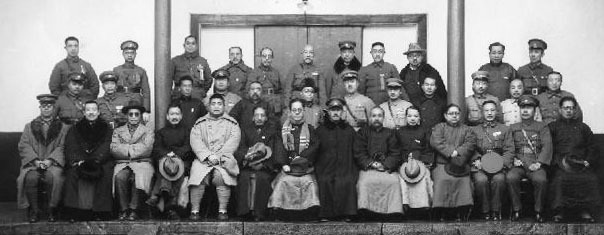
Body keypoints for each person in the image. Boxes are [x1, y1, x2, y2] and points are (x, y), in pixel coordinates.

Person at [17, 94, 69, 223]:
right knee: (30, 178)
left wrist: (50, 160)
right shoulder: (29, 126)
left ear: (53, 108)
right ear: (40, 108)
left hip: (53, 163)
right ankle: (34, 211)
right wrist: (35, 161)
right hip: (34, 162)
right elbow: (24, 145)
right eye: (44, 106)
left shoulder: (63, 127)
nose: (46, 108)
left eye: (49, 106)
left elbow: (63, 147)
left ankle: (52, 209)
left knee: (54, 178)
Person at [189, 94, 241, 221]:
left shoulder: (232, 123)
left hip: (224, 158)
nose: (216, 106)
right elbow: (195, 141)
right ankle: (194, 210)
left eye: (219, 104)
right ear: (209, 107)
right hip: (204, 159)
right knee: (198, 176)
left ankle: (222, 210)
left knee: (221, 176)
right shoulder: (200, 123)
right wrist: (207, 156)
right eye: (213, 104)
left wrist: (218, 156)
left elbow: (233, 141)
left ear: (224, 106)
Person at [548, 97, 599, 223]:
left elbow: (592, 147)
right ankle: (559, 211)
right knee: (560, 179)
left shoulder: (583, 128)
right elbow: (547, 148)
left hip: (580, 164)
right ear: (560, 110)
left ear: (575, 110)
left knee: (590, 179)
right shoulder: (552, 127)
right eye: (566, 108)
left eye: (571, 108)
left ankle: (585, 210)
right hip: (560, 164)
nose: (569, 111)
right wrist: (557, 162)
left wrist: (588, 161)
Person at [268, 99, 321, 221]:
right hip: (288, 167)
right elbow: (279, 148)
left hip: (305, 168)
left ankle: (308, 213)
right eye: (294, 110)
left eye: (299, 110)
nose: (297, 113)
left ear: (303, 111)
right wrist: (283, 164)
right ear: (290, 112)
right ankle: (282, 212)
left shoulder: (311, 129)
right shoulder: (282, 130)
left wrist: (302, 159)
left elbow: (315, 146)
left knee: (309, 183)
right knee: (283, 182)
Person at [63, 101, 113, 221]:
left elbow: (108, 145)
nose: (91, 112)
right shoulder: (75, 128)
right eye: (88, 110)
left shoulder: (106, 127)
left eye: (94, 110)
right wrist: (79, 161)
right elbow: (71, 146)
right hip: (80, 160)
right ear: (84, 112)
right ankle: (73, 211)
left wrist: (97, 160)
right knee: (71, 174)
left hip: (99, 160)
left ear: (98, 112)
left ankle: (101, 212)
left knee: (106, 172)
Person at [505, 95, 552, 223]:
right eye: (523, 108)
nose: (525, 111)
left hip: (535, 162)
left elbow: (547, 146)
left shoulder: (542, 127)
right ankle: (517, 210)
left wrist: (539, 163)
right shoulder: (513, 127)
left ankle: (538, 211)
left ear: (535, 110)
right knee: (511, 177)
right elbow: (508, 146)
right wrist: (513, 159)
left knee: (541, 179)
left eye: (529, 108)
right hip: (518, 163)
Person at [235, 106, 283, 221]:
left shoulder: (272, 131)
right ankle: (244, 212)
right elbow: (241, 148)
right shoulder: (245, 130)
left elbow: (275, 150)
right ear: (253, 117)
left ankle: (260, 213)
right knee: (243, 178)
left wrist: (265, 165)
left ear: (266, 118)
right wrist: (247, 159)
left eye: (262, 115)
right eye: (257, 115)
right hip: (248, 165)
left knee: (262, 178)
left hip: (265, 167)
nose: (259, 118)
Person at [314, 98, 359, 221]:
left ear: (342, 112)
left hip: (346, 167)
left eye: (338, 110)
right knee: (325, 180)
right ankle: (326, 214)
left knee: (347, 181)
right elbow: (314, 151)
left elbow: (357, 151)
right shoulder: (320, 130)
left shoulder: (349, 130)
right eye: (332, 110)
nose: (335, 113)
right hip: (325, 168)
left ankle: (347, 214)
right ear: (328, 112)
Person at [430, 104, 476, 222]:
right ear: (445, 115)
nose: (454, 116)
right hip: (442, 163)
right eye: (451, 113)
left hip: (460, 163)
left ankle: (462, 211)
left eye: (457, 113)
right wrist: (451, 152)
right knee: (442, 180)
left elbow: (470, 144)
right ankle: (441, 211)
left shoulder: (467, 129)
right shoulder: (439, 127)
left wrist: (458, 152)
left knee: (464, 181)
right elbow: (436, 141)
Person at [146, 104, 192, 220]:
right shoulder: (161, 132)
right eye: (172, 114)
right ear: (167, 116)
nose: (174, 117)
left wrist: (175, 154)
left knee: (177, 171)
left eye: (177, 114)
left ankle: (157, 194)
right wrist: (167, 155)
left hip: (182, 161)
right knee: (166, 168)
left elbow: (188, 147)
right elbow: (157, 149)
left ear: (181, 116)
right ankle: (170, 206)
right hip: (165, 161)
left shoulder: (187, 131)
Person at [110, 100, 155, 221]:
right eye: (131, 114)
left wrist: (126, 150)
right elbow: (114, 149)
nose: (134, 117)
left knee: (138, 177)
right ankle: (124, 209)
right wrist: (134, 150)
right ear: (126, 116)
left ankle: (133, 210)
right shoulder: (118, 131)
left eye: (137, 114)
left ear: (140, 116)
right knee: (119, 177)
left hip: (142, 163)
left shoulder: (148, 131)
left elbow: (147, 148)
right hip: (123, 163)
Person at [354, 107, 403, 216]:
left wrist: (385, 165)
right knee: (364, 183)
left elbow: (395, 153)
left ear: (383, 118)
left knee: (394, 182)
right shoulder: (362, 133)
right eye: (374, 116)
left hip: (385, 167)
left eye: (379, 116)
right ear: (369, 118)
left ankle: (392, 213)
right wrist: (372, 163)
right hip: (368, 167)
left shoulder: (390, 133)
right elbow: (359, 152)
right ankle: (367, 212)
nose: (377, 118)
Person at [470, 101, 513, 221]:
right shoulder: (474, 130)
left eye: (492, 110)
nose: (489, 113)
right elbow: (471, 148)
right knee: (481, 180)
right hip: (480, 165)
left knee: (499, 180)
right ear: (482, 112)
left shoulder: (504, 129)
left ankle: (495, 210)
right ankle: (485, 211)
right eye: (486, 110)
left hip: (498, 165)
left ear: (497, 112)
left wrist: (501, 164)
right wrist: (477, 160)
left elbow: (509, 150)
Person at [396, 106, 434, 215]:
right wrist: (403, 162)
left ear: (419, 118)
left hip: (421, 163)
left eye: (415, 116)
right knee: (402, 179)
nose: (412, 118)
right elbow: (396, 149)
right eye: (409, 116)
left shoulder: (425, 131)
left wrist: (422, 161)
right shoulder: (400, 132)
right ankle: (406, 207)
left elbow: (428, 150)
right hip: (404, 164)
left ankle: (423, 208)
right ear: (406, 118)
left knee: (424, 177)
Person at [113, 40, 151, 123]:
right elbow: (112, 89)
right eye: (127, 53)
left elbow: (146, 92)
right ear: (123, 54)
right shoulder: (116, 70)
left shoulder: (141, 71)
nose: (129, 55)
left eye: (132, 53)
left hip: (136, 100)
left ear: (135, 54)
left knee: (137, 125)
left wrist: (146, 111)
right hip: (120, 99)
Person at [49, 36, 99, 100]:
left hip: (84, 101)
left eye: (76, 46)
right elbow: (54, 88)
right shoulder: (59, 66)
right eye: (70, 46)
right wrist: (62, 102)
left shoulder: (86, 66)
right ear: (65, 48)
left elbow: (95, 86)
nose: (73, 48)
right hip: (66, 103)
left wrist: (88, 101)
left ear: (78, 48)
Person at [169, 35, 213, 100]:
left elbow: (209, 79)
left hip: (197, 96)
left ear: (196, 46)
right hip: (179, 95)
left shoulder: (202, 61)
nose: (190, 46)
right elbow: (169, 80)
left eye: (193, 43)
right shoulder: (175, 61)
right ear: (184, 45)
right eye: (188, 43)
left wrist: (202, 91)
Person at [246, 47, 286, 116]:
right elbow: (248, 91)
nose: (267, 58)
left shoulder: (276, 72)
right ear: (261, 58)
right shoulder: (254, 73)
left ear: (272, 58)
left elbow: (281, 90)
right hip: (260, 103)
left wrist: (280, 103)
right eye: (264, 56)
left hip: (274, 105)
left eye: (269, 56)